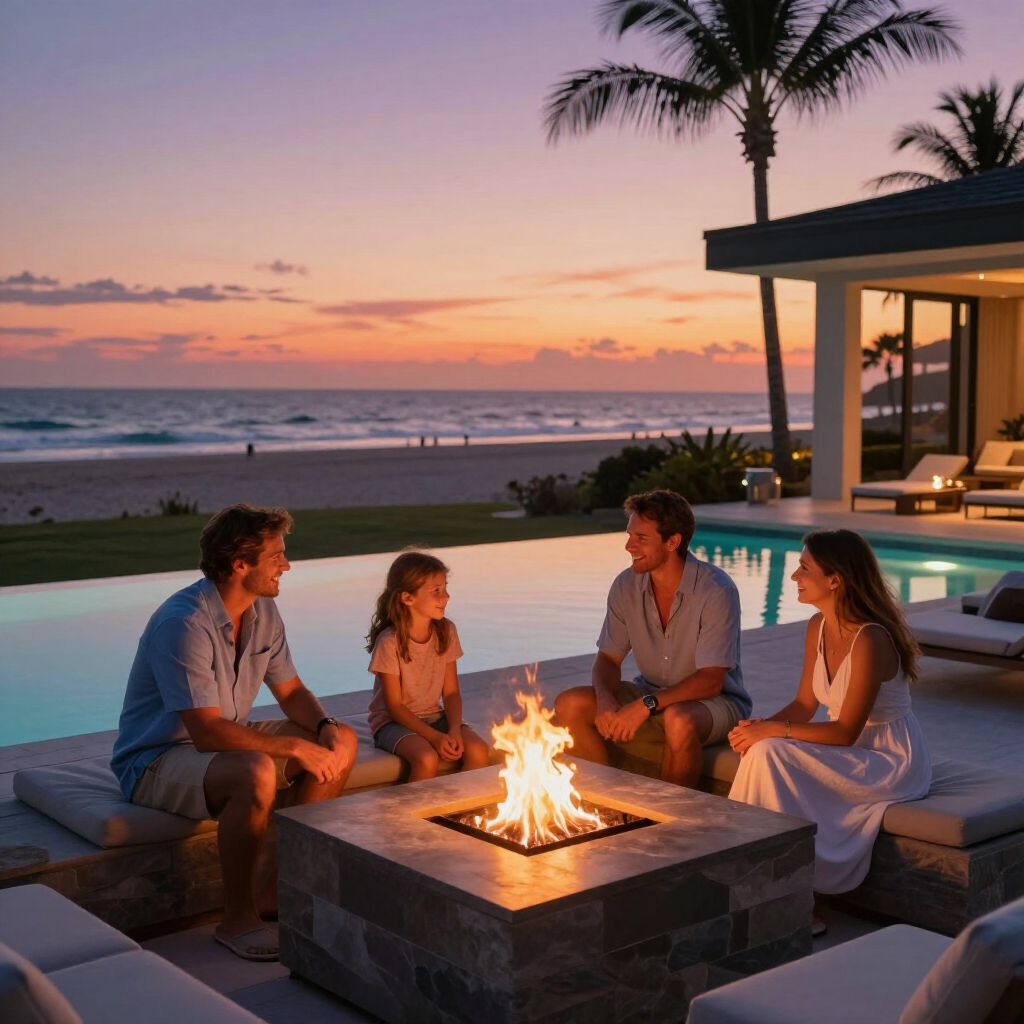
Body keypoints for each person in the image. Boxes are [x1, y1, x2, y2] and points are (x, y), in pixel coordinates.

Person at [111, 504, 358, 962]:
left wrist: (323, 727)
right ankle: (236, 918)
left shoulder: (262, 611)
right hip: (155, 759)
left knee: (341, 739)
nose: (287, 565)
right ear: (240, 563)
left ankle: (276, 890)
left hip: (222, 741)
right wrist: (291, 746)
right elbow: (205, 733)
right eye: (277, 556)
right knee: (256, 771)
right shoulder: (183, 624)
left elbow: (291, 690)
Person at [728, 529, 931, 931]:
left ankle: (797, 896)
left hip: (889, 757)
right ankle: (759, 877)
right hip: (852, 746)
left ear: (835, 579)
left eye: (804, 568)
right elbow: (806, 705)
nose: (794, 577)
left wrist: (771, 731)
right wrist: (759, 726)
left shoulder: (871, 638)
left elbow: (845, 732)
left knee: (771, 750)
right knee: (763, 748)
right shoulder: (818, 626)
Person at [555, 489, 751, 788]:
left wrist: (644, 705)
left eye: (641, 538)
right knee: (569, 703)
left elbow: (711, 680)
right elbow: (608, 659)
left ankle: (670, 819)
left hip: (714, 703)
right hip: (650, 693)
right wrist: (606, 700)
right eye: (629, 535)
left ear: (672, 542)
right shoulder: (626, 585)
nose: (628, 546)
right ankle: (608, 801)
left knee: (679, 719)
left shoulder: (716, 590)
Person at [366, 551, 489, 781]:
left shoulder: (446, 631)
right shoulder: (390, 642)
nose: (446, 597)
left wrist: (453, 730)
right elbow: (394, 706)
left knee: (479, 750)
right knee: (427, 759)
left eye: (444, 588)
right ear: (407, 598)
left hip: (435, 715)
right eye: (436, 591)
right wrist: (434, 737)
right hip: (392, 722)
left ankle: (463, 813)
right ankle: (407, 817)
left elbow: (451, 693)